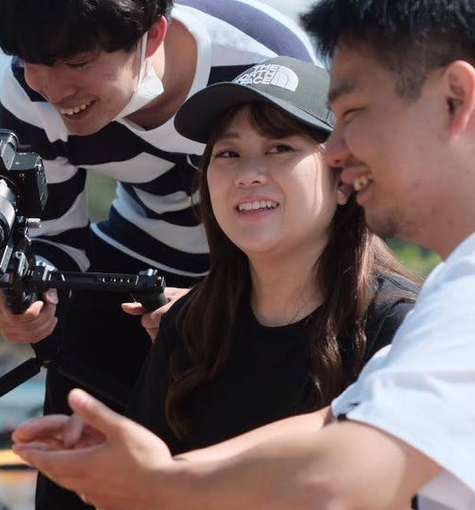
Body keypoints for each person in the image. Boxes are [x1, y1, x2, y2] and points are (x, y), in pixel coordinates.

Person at [10, 1, 475, 509]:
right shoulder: (189, 326)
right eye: (226, 154)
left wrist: (157, 485)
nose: (339, 149)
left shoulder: (423, 314)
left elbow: (344, 474)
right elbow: (335, 422)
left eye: (354, 114)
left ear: (457, 98)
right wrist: (140, 472)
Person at [0, 0, 317, 506]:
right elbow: (52, 238)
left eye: (77, 64)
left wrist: (212, 306)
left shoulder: (264, 58)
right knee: (78, 454)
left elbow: (321, 217)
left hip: (276, 266)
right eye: (36, 66)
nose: (55, 91)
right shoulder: (29, 87)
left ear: (154, 35)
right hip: (141, 247)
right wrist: (33, 294)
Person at [125, 56, 418, 455]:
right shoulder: (189, 326)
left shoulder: (401, 326)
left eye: (279, 147)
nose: (249, 174)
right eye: (228, 153)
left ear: (344, 180)